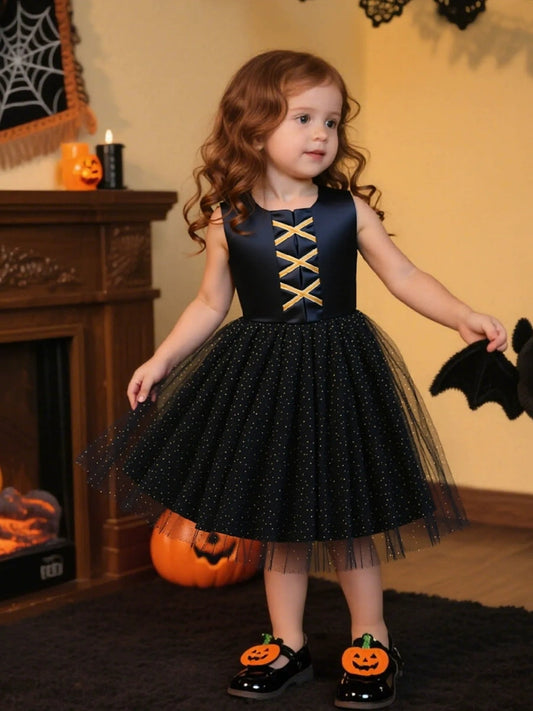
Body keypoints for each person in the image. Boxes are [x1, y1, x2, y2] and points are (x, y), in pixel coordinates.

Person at [78, 50, 507, 709]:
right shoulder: (229, 218)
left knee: (348, 517)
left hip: (340, 374)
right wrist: (160, 359)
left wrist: (460, 315)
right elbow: (209, 304)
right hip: (266, 380)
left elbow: (403, 275)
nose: (321, 134)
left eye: (331, 122)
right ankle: (288, 643)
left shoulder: (347, 210)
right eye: (302, 118)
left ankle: (372, 638)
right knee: (278, 519)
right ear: (252, 129)